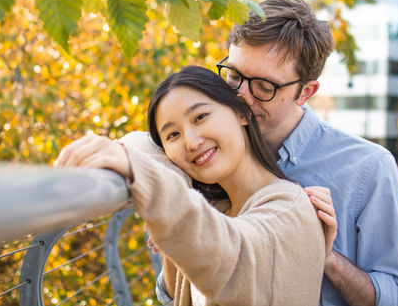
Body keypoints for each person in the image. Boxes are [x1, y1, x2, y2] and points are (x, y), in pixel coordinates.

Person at [55, 66, 327, 305]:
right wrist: (165, 173)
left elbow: (232, 259)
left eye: (200, 117)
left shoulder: (289, 209)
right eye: (173, 134)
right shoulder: (218, 207)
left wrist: (141, 172)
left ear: (242, 113)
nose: (191, 142)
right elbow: (143, 144)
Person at [213, 0, 398, 306]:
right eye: (233, 77)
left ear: (305, 92)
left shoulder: (369, 168)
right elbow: (170, 294)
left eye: (264, 87)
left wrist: (327, 258)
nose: (240, 97)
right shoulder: (207, 149)